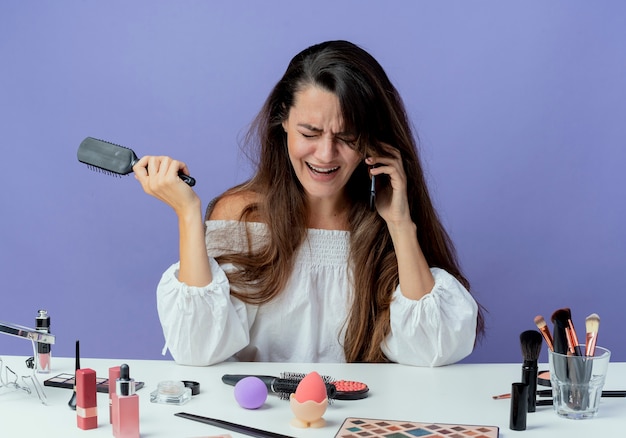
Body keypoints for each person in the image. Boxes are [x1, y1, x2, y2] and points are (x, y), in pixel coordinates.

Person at [133, 40, 484, 367]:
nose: (326, 154)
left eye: (346, 137)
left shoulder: (384, 226)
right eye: (310, 134)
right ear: (283, 121)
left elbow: (434, 349)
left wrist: (400, 224)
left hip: (359, 423)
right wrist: (188, 214)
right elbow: (198, 348)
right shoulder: (242, 215)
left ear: (371, 140)